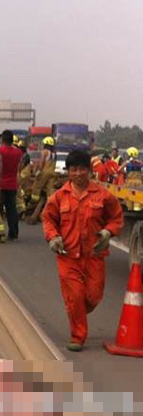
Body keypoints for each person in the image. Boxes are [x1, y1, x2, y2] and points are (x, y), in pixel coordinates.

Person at [42, 150, 123, 351]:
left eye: (82, 169)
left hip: (94, 256)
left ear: (89, 170)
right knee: (76, 295)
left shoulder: (103, 195)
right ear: (68, 171)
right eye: (74, 170)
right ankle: (78, 336)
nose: (78, 173)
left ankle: (75, 310)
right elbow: (48, 219)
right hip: (67, 256)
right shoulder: (59, 197)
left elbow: (116, 217)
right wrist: (53, 237)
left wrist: (107, 232)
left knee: (93, 297)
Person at [0, 130, 24, 241]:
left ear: (3, 139)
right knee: (11, 209)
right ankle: (13, 233)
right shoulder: (18, 152)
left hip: (1, 183)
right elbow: (19, 167)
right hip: (13, 183)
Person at [28, 136, 57, 223]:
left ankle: (33, 203)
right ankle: (50, 206)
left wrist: (37, 173)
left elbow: (41, 163)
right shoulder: (54, 154)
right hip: (52, 173)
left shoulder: (44, 152)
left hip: (44, 172)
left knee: (37, 187)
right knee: (50, 192)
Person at [121, 147, 142, 211]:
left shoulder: (127, 164)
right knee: (138, 198)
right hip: (139, 183)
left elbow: (119, 169)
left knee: (129, 199)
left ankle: (130, 211)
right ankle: (138, 211)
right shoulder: (140, 163)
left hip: (129, 183)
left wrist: (126, 163)